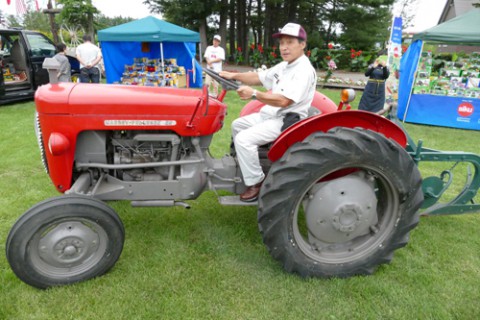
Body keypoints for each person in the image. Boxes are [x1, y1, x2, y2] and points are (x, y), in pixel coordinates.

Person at [220, 23, 317, 202]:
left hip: (286, 119)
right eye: (281, 43)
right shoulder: (285, 66)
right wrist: (233, 76)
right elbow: (258, 77)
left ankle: (256, 182)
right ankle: (246, 164)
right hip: (271, 114)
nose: (284, 47)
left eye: (289, 42)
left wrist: (254, 94)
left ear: (302, 44)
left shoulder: (303, 70)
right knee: (237, 125)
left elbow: (283, 100)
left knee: (244, 139)